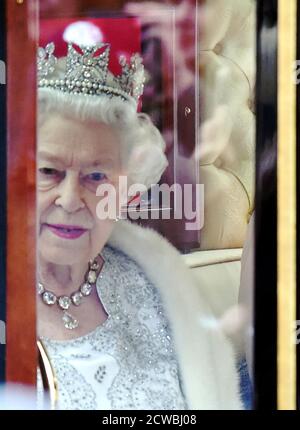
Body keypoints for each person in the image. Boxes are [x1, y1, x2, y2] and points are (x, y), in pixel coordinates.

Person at [36, 41, 243, 410]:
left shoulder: (155, 283)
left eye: (95, 176)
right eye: (49, 172)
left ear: (125, 185)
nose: (70, 200)